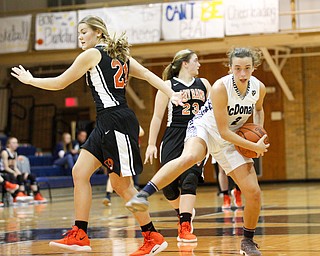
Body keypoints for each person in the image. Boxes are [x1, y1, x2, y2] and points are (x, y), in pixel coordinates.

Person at [11, 15, 184, 255]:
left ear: (98, 33)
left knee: (122, 185)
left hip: (116, 120)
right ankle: (80, 233)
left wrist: (31, 80)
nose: (80, 37)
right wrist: (170, 91)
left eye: (84, 31)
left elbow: (61, 83)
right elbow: (146, 74)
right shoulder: (119, 56)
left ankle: (151, 236)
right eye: (78, 33)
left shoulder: (92, 54)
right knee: (79, 171)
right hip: (106, 121)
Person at [126, 47, 270, 256]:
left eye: (247, 68)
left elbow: (258, 108)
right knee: (191, 157)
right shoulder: (221, 87)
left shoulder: (259, 88)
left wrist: (259, 132)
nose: (242, 74)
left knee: (254, 193)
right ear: (230, 68)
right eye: (237, 68)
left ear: (253, 68)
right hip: (205, 127)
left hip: (232, 137)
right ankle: (143, 194)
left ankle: (247, 241)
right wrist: (252, 146)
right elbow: (221, 131)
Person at [144, 49, 210, 242]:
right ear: (185, 63)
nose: (199, 64)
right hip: (174, 133)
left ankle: (185, 224)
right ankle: (183, 213)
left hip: (197, 133)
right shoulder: (167, 85)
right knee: (169, 187)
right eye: (196, 61)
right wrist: (150, 144)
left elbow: (216, 110)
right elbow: (157, 117)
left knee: (190, 179)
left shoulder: (204, 84)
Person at [1, 137, 47, 203]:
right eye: (13, 143)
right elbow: (6, 167)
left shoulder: (15, 153)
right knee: (15, 176)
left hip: (12, 171)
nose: (16, 144)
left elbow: (15, 167)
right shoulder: (5, 152)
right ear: (8, 144)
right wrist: (15, 173)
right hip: (4, 172)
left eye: (16, 143)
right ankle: (19, 195)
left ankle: (36, 194)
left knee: (31, 176)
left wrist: (20, 173)